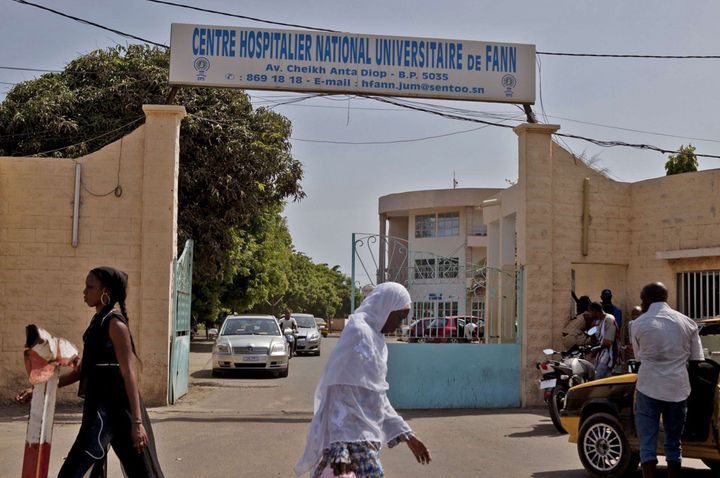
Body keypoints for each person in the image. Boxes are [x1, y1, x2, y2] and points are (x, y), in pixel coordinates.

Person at [16, 266, 164, 477]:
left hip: (122, 412)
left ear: (106, 292)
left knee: (144, 472)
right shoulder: (98, 322)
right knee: (76, 469)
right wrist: (41, 388)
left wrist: (137, 423)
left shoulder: (115, 324)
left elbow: (129, 373)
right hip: (99, 411)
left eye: (90, 287)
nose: (84, 291)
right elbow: (83, 370)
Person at [295, 282, 431, 477]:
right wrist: (339, 448)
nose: (399, 325)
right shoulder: (359, 333)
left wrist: (408, 435)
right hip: (348, 446)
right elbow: (338, 391)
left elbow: (377, 397)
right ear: (386, 307)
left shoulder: (377, 340)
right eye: (399, 317)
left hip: (366, 440)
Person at [631, 282, 704, 478]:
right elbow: (696, 361)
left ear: (647, 299)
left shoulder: (637, 324)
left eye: (641, 298)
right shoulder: (688, 323)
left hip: (648, 388)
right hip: (678, 389)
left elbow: (639, 358)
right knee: (674, 441)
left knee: (647, 441)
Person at [588, 301, 619, 379]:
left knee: (599, 378)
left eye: (591, 312)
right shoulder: (598, 321)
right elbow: (595, 337)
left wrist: (595, 349)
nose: (590, 314)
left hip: (609, 354)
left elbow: (608, 342)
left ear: (596, 311)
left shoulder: (609, 319)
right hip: (601, 355)